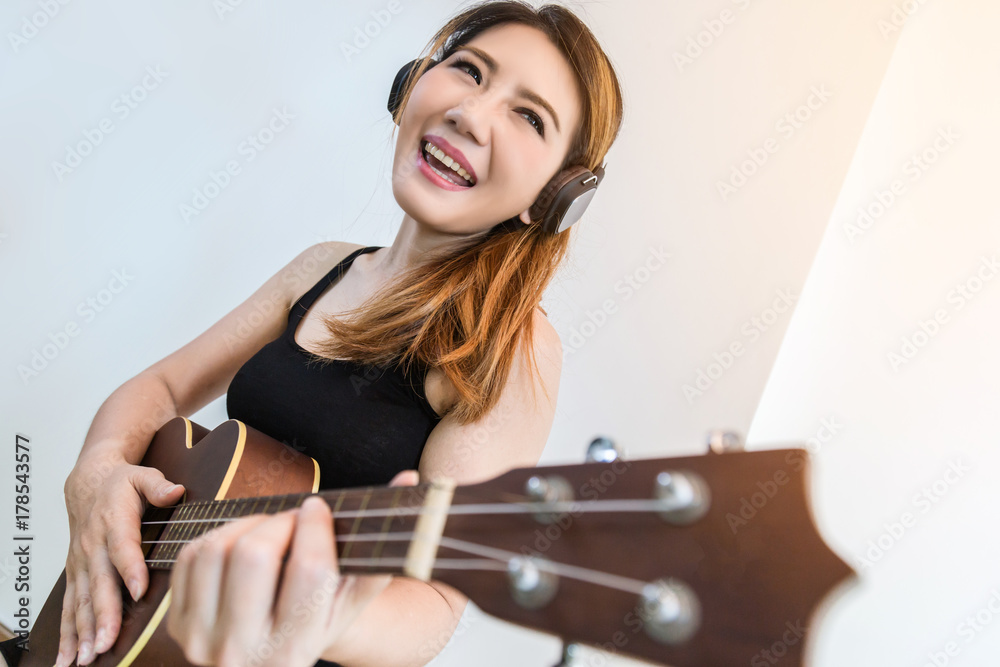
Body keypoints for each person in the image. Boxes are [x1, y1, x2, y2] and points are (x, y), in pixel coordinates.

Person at [0, 2, 624, 666]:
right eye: (468, 70)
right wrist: (97, 472)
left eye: (529, 117)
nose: (470, 113)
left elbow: (435, 605)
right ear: (412, 83)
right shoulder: (323, 267)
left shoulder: (511, 347)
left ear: (556, 195)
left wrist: (313, 618)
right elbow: (162, 386)